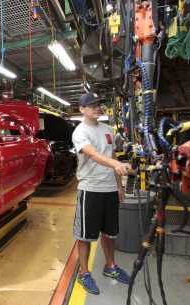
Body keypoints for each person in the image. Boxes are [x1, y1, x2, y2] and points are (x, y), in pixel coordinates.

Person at [71, 92, 131, 295]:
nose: (97, 108)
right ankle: (84, 273)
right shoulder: (80, 132)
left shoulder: (107, 129)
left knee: (109, 232)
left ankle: (110, 266)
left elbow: (111, 154)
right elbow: (94, 154)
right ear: (82, 109)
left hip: (110, 190)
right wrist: (115, 163)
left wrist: (119, 186)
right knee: (85, 236)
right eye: (92, 105)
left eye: (98, 104)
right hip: (90, 190)